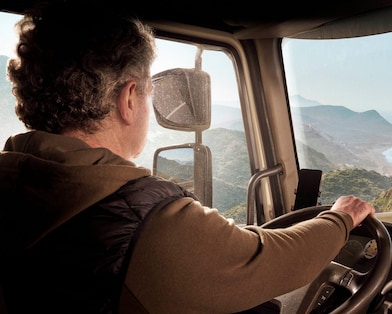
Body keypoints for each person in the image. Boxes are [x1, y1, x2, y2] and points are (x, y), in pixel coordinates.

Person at [0, 1, 375, 313]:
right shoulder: (149, 224)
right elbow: (274, 261)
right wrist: (342, 217)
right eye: (149, 93)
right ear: (129, 99)